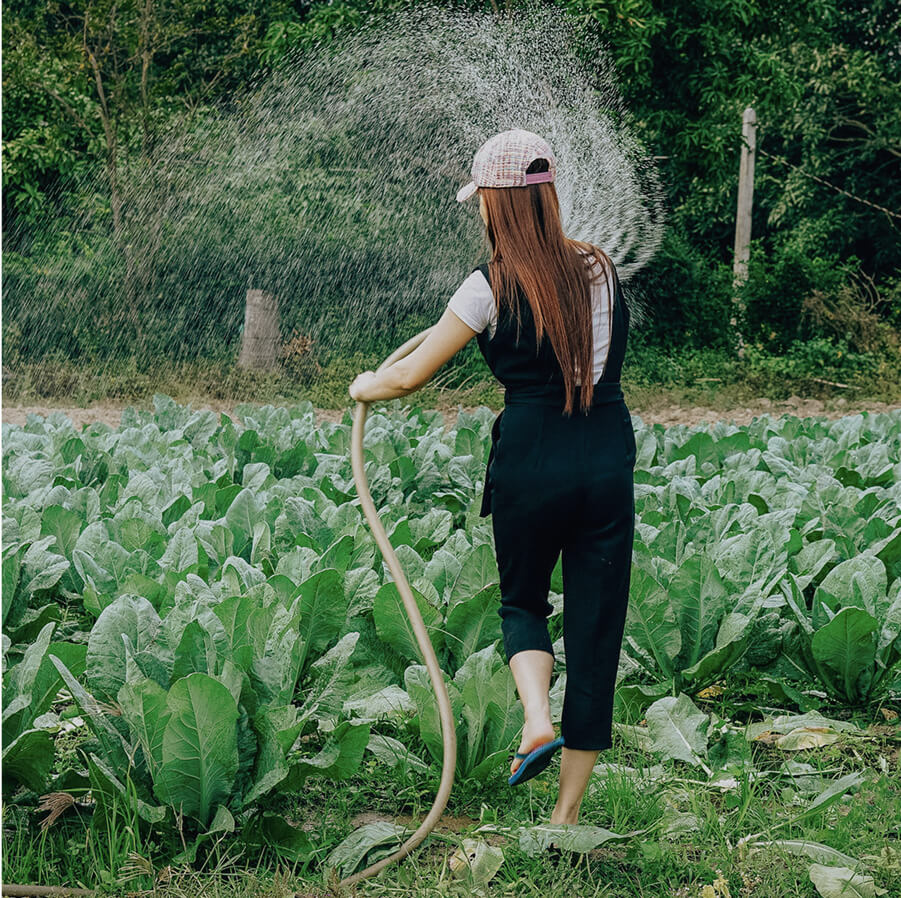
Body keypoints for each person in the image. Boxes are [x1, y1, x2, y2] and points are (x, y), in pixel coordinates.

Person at [349, 129, 636, 825]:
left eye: (480, 201)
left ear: (497, 206)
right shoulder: (598, 267)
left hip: (531, 457)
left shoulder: (486, 287)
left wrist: (366, 385)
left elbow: (411, 374)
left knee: (523, 604)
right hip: (603, 454)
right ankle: (564, 818)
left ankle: (536, 718)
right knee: (596, 630)